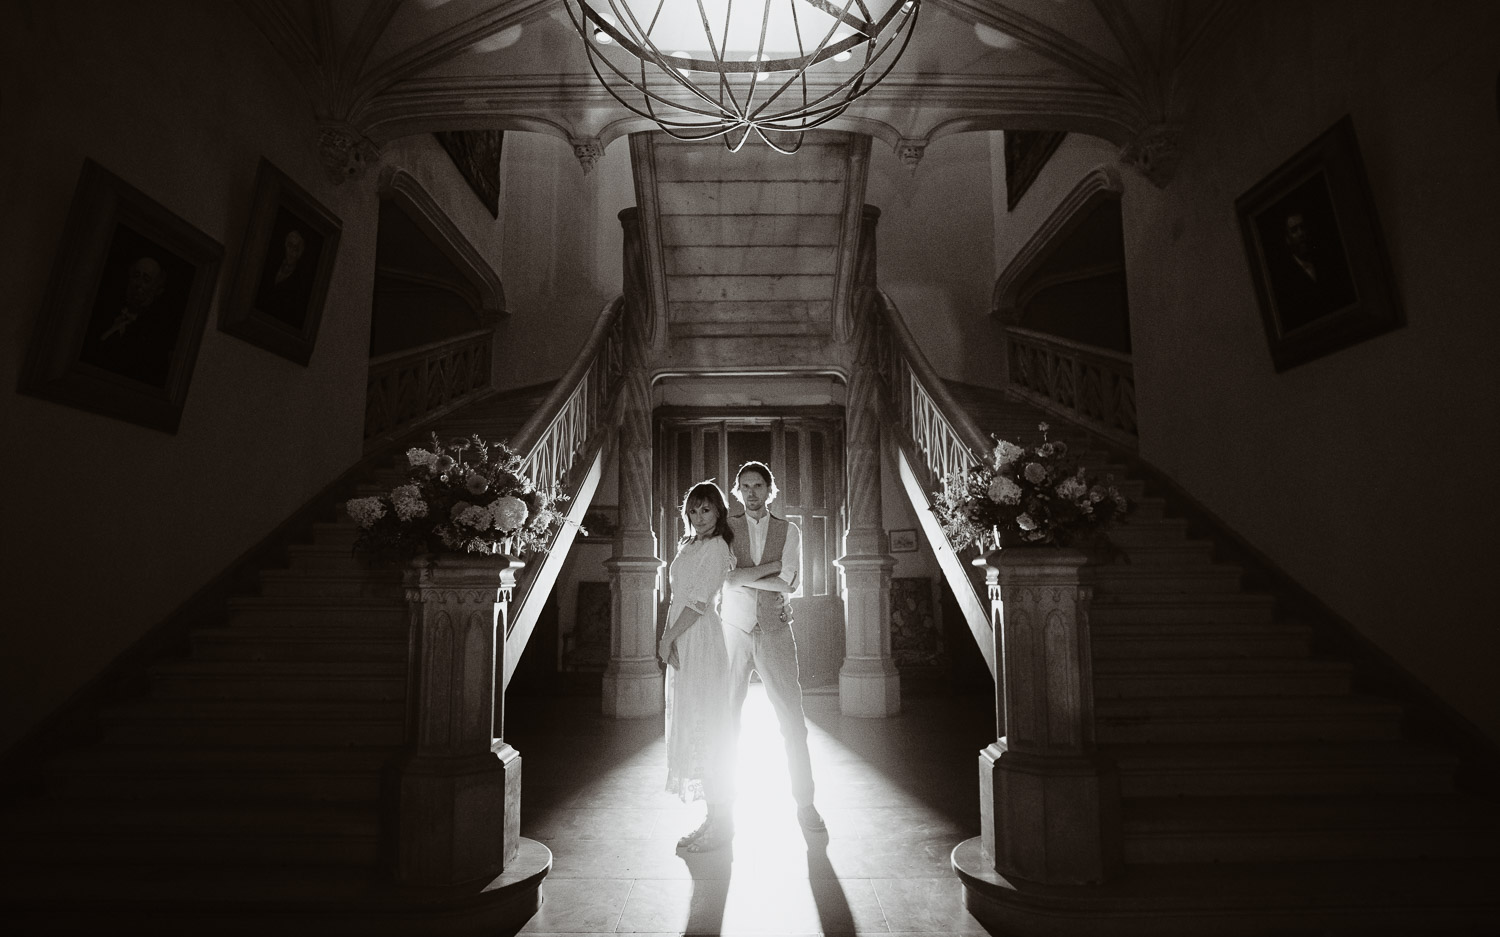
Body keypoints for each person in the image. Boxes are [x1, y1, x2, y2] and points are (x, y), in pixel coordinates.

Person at [720, 461, 825, 834]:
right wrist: (772, 568)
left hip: (776, 632)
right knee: (725, 720)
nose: (751, 492)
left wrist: (748, 577)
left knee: (793, 722)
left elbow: (789, 584)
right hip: (732, 631)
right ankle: (722, 805)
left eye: (758, 486)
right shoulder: (725, 529)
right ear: (738, 491)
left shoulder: (788, 529)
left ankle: (806, 803)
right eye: (745, 486)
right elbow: (726, 580)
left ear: (770, 491)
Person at [657, 481, 738, 853]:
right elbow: (676, 596)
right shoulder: (690, 544)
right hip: (682, 637)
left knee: (707, 728)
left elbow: (697, 602)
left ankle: (722, 825)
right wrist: (670, 635)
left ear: (719, 512)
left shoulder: (718, 547)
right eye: (693, 509)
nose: (699, 516)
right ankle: (712, 820)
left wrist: (667, 637)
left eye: (706, 509)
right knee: (693, 725)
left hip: (700, 639)